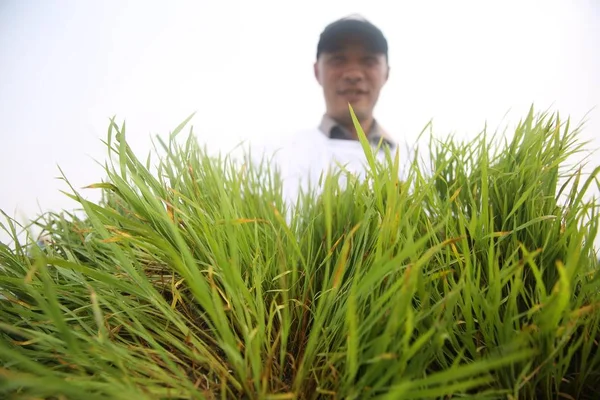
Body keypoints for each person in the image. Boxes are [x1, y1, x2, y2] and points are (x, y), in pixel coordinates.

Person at [251, 15, 397, 206]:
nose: (353, 74)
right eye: (338, 60)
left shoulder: (418, 162)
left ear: (386, 73)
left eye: (368, 61)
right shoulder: (275, 157)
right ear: (317, 71)